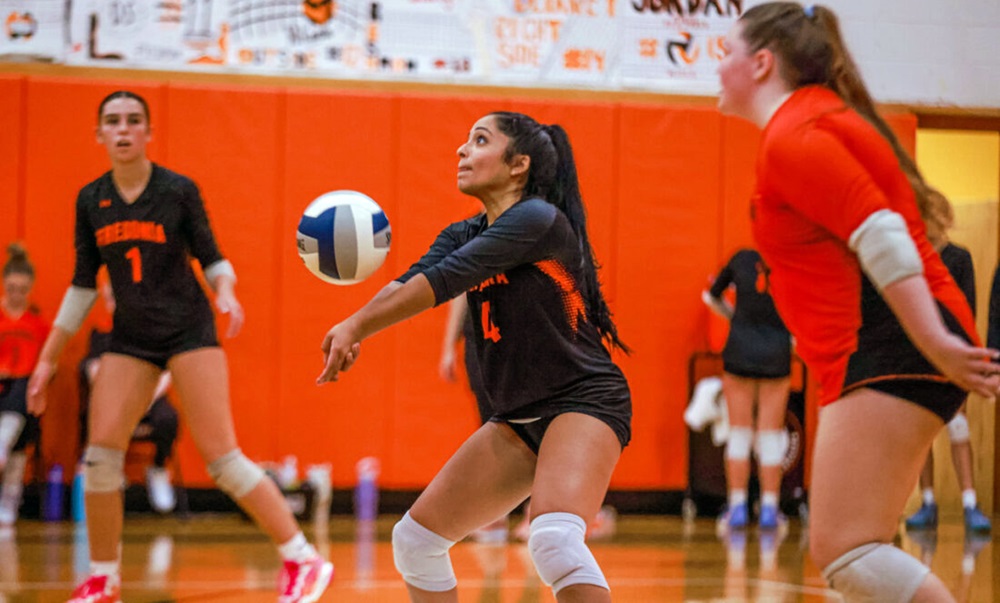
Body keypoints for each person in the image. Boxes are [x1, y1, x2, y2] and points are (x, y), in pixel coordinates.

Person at [717, 4, 999, 602]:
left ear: (762, 63)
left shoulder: (794, 134)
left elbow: (881, 233)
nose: (717, 67)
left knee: (847, 549)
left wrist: (934, 341)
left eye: (726, 53)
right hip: (885, 344)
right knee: (853, 548)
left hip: (891, 343)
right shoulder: (812, 119)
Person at [26, 90, 332, 603]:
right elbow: (82, 286)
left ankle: (303, 558)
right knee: (99, 460)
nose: (124, 129)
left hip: (189, 331)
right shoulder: (91, 200)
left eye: (134, 120)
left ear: (149, 132)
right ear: (99, 134)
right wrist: (47, 360)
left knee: (222, 460)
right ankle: (103, 579)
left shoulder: (177, 190)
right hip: (131, 338)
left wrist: (226, 291)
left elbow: (213, 257)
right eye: (113, 121)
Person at [317, 111, 632, 603]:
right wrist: (357, 321)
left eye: (480, 140)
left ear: (518, 164)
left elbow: (442, 282)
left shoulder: (538, 220)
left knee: (554, 541)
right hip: (518, 417)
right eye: (466, 141)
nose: (462, 150)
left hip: (584, 402)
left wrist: (358, 326)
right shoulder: (463, 232)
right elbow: (410, 281)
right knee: (416, 542)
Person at [904, 194, 991, 534]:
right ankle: (928, 502)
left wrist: (962, 352)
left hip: (951, 353)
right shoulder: (912, 257)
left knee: (958, 426)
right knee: (921, 431)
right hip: (917, 353)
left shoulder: (959, 257)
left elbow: (966, 308)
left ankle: (969, 503)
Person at [703, 247, 792, 530]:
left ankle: (738, 507)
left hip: (739, 350)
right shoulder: (791, 259)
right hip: (777, 354)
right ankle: (769, 509)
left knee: (739, 433)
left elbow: (711, 296)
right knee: (770, 435)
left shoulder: (742, 258)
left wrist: (734, 319)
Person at [79, 281, 180, 514]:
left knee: (168, 418)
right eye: (114, 298)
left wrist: (144, 401)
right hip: (114, 401)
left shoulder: (152, 335)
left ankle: (158, 468)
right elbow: (93, 371)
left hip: (147, 398)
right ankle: (110, 468)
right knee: (97, 414)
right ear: (108, 301)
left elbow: (166, 372)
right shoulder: (102, 336)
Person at [0, 243, 48, 526]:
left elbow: (46, 364)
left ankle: (9, 498)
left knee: (25, 388)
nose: (16, 294)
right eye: (11, 288)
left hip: (23, 395)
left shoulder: (37, 324)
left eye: (22, 289)